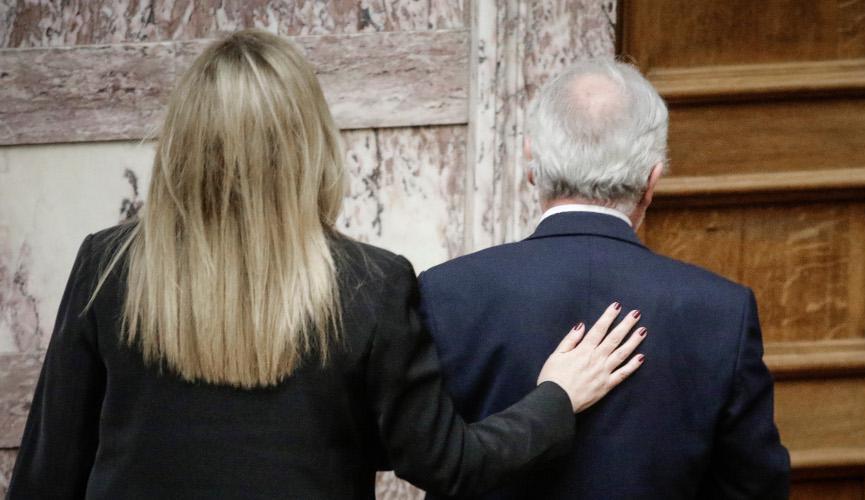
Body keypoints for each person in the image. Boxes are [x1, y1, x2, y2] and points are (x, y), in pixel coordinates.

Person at [7, 31, 649, 499]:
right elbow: (448, 463)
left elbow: (46, 474)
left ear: (181, 143)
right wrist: (556, 397)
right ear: (310, 144)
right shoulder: (370, 284)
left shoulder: (108, 265)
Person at [419, 59, 790, 499]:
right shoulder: (721, 310)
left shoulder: (446, 292)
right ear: (652, 179)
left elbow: (421, 457)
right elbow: (754, 487)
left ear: (532, 163)